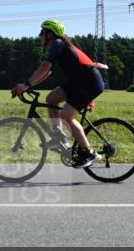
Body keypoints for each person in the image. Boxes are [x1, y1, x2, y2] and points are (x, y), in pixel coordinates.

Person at [11, 19, 107, 169]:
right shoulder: (57, 46)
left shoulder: (58, 43)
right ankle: (59, 136)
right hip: (78, 82)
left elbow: (45, 66)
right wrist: (29, 85)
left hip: (89, 83)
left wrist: (26, 85)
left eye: (42, 32)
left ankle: (90, 153)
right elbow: (47, 71)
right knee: (51, 99)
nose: (39, 35)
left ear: (50, 34)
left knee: (66, 116)